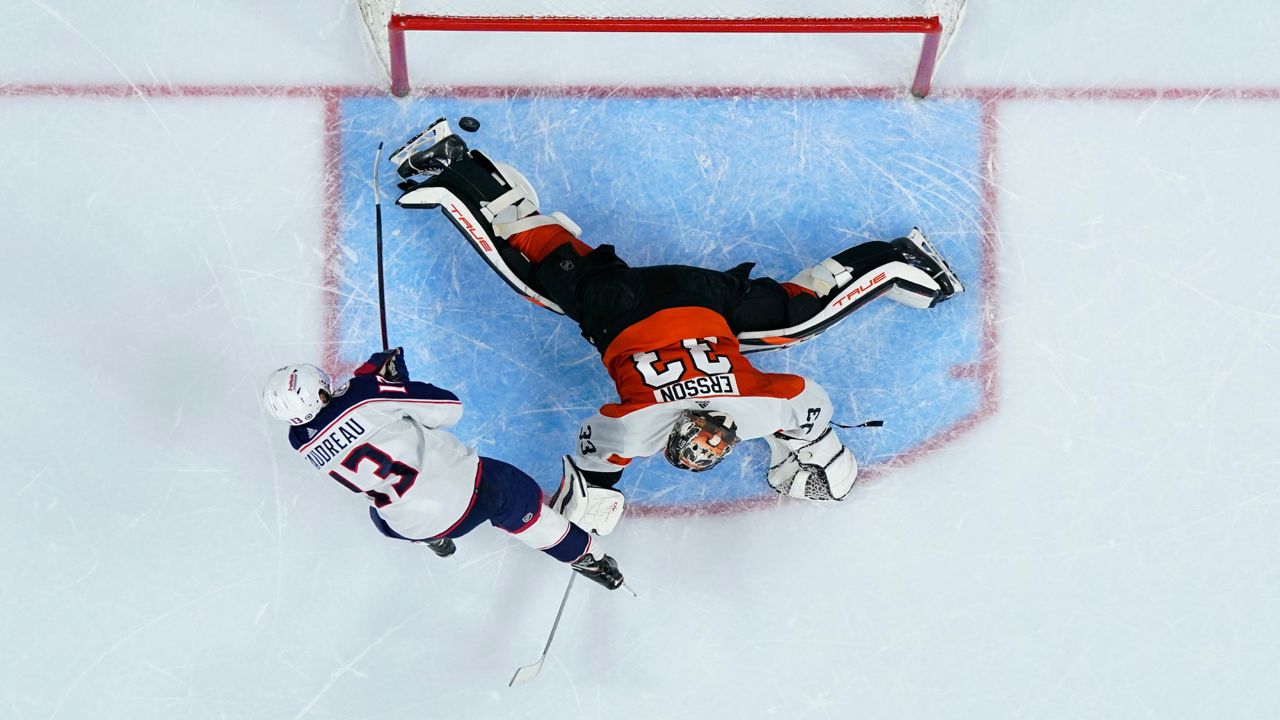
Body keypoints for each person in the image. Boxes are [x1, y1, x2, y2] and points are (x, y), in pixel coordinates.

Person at [388, 118, 965, 534]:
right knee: (537, 275)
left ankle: (893, 261)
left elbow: (804, 404)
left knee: (797, 318)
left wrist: (810, 446)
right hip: (623, 305)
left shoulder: (765, 410)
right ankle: (458, 172)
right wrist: (588, 512)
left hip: (705, 298)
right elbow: (589, 463)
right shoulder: (636, 431)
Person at [261, 347, 625, 590]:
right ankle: (587, 557)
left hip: (411, 524)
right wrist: (393, 386)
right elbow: (449, 408)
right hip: (468, 495)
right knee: (516, 498)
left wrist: (376, 384)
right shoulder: (365, 393)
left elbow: (352, 417)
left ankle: (433, 538)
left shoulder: (300, 442)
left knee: (384, 513)